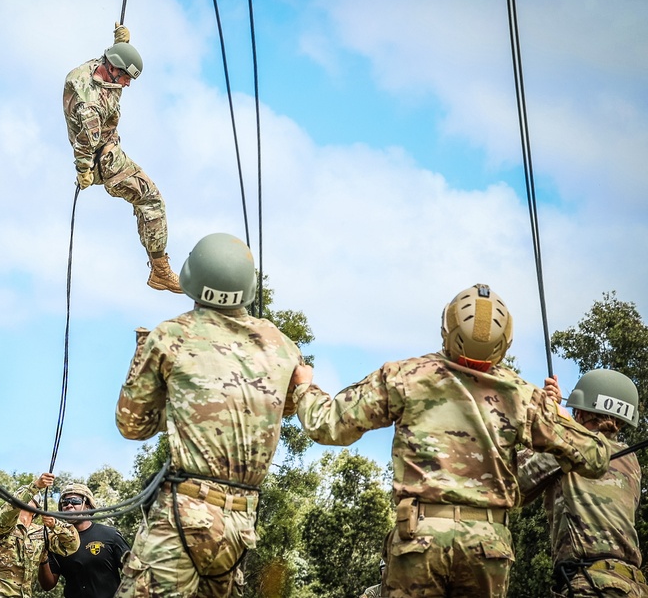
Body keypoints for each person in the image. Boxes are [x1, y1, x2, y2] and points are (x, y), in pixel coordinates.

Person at [290, 283, 611, 598]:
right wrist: (557, 413)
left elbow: (327, 426)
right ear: (506, 340)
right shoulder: (523, 395)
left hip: (419, 537)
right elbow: (595, 457)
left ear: (447, 327)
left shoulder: (405, 376)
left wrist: (304, 386)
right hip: (488, 546)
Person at [114, 233, 304, 597]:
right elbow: (288, 408)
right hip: (240, 524)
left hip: (183, 515)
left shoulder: (171, 335)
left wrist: (176, 404)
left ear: (192, 279)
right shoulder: (283, 346)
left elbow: (131, 425)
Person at [62, 23, 181, 294]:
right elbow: (85, 143)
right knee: (151, 199)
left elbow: (111, 65)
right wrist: (84, 171)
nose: (127, 84)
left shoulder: (99, 68)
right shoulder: (90, 105)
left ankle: (157, 265)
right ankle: (160, 271)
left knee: (144, 200)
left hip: (107, 143)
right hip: (104, 159)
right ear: (113, 69)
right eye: (126, 77)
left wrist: (121, 44)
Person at [518, 369, 648, 597]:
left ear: (581, 411)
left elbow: (512, 479)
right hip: (632, 586)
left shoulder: (569, 450)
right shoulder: (630, 460)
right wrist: (558, 418)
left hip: (591, 584)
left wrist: (547, 416)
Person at [0, 472, 80, 597]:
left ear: (37, 508)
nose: (26, 499)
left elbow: (72, 546)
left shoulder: (41, 533)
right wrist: (36, 486)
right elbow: (10, 508)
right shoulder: (2, 525)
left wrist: (55, 524)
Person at [38, 482, 129, 598]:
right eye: (65, 503)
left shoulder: (110, 535)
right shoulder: (56, 542)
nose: (69, 505)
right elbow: (48, 585)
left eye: (75, 501)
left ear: (88, 506)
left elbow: (134, 572)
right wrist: (43, 558)